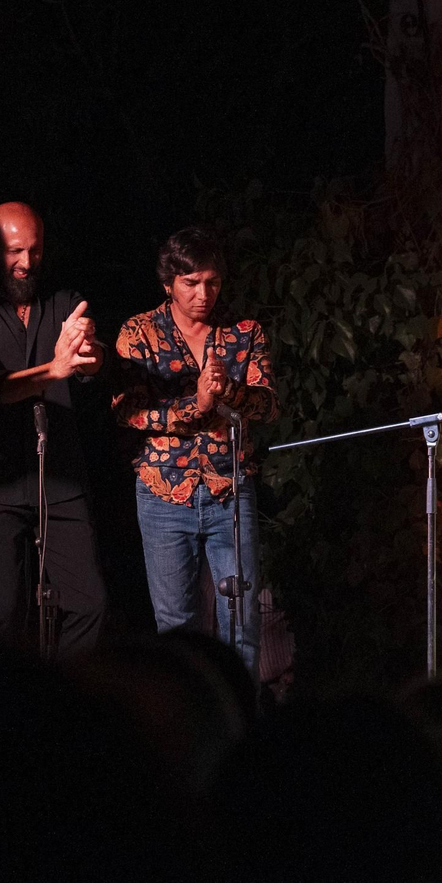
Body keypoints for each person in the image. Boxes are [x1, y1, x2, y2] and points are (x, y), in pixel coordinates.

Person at [114, 227, 277, 675]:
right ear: (168, 284)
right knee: (175, 625)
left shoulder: (243, 332)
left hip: (231, 488)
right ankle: (184, 721)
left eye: (212, 282)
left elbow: (268, 404)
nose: (203, 294)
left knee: (241, 619)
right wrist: (197, 406)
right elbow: (128, 411)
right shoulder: (138, 332)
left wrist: (233, 392)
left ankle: (241, 716)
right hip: (164, 493)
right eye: (191, 283)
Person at [0, 202, 108, 660]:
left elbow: (89, 360)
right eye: (15, 251)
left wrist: (89, 353)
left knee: (90, 604)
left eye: (34, 250)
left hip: (60, 479)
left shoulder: (61, 297)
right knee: (1, 613)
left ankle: (61, 698)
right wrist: (54, 369)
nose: (26, 263)